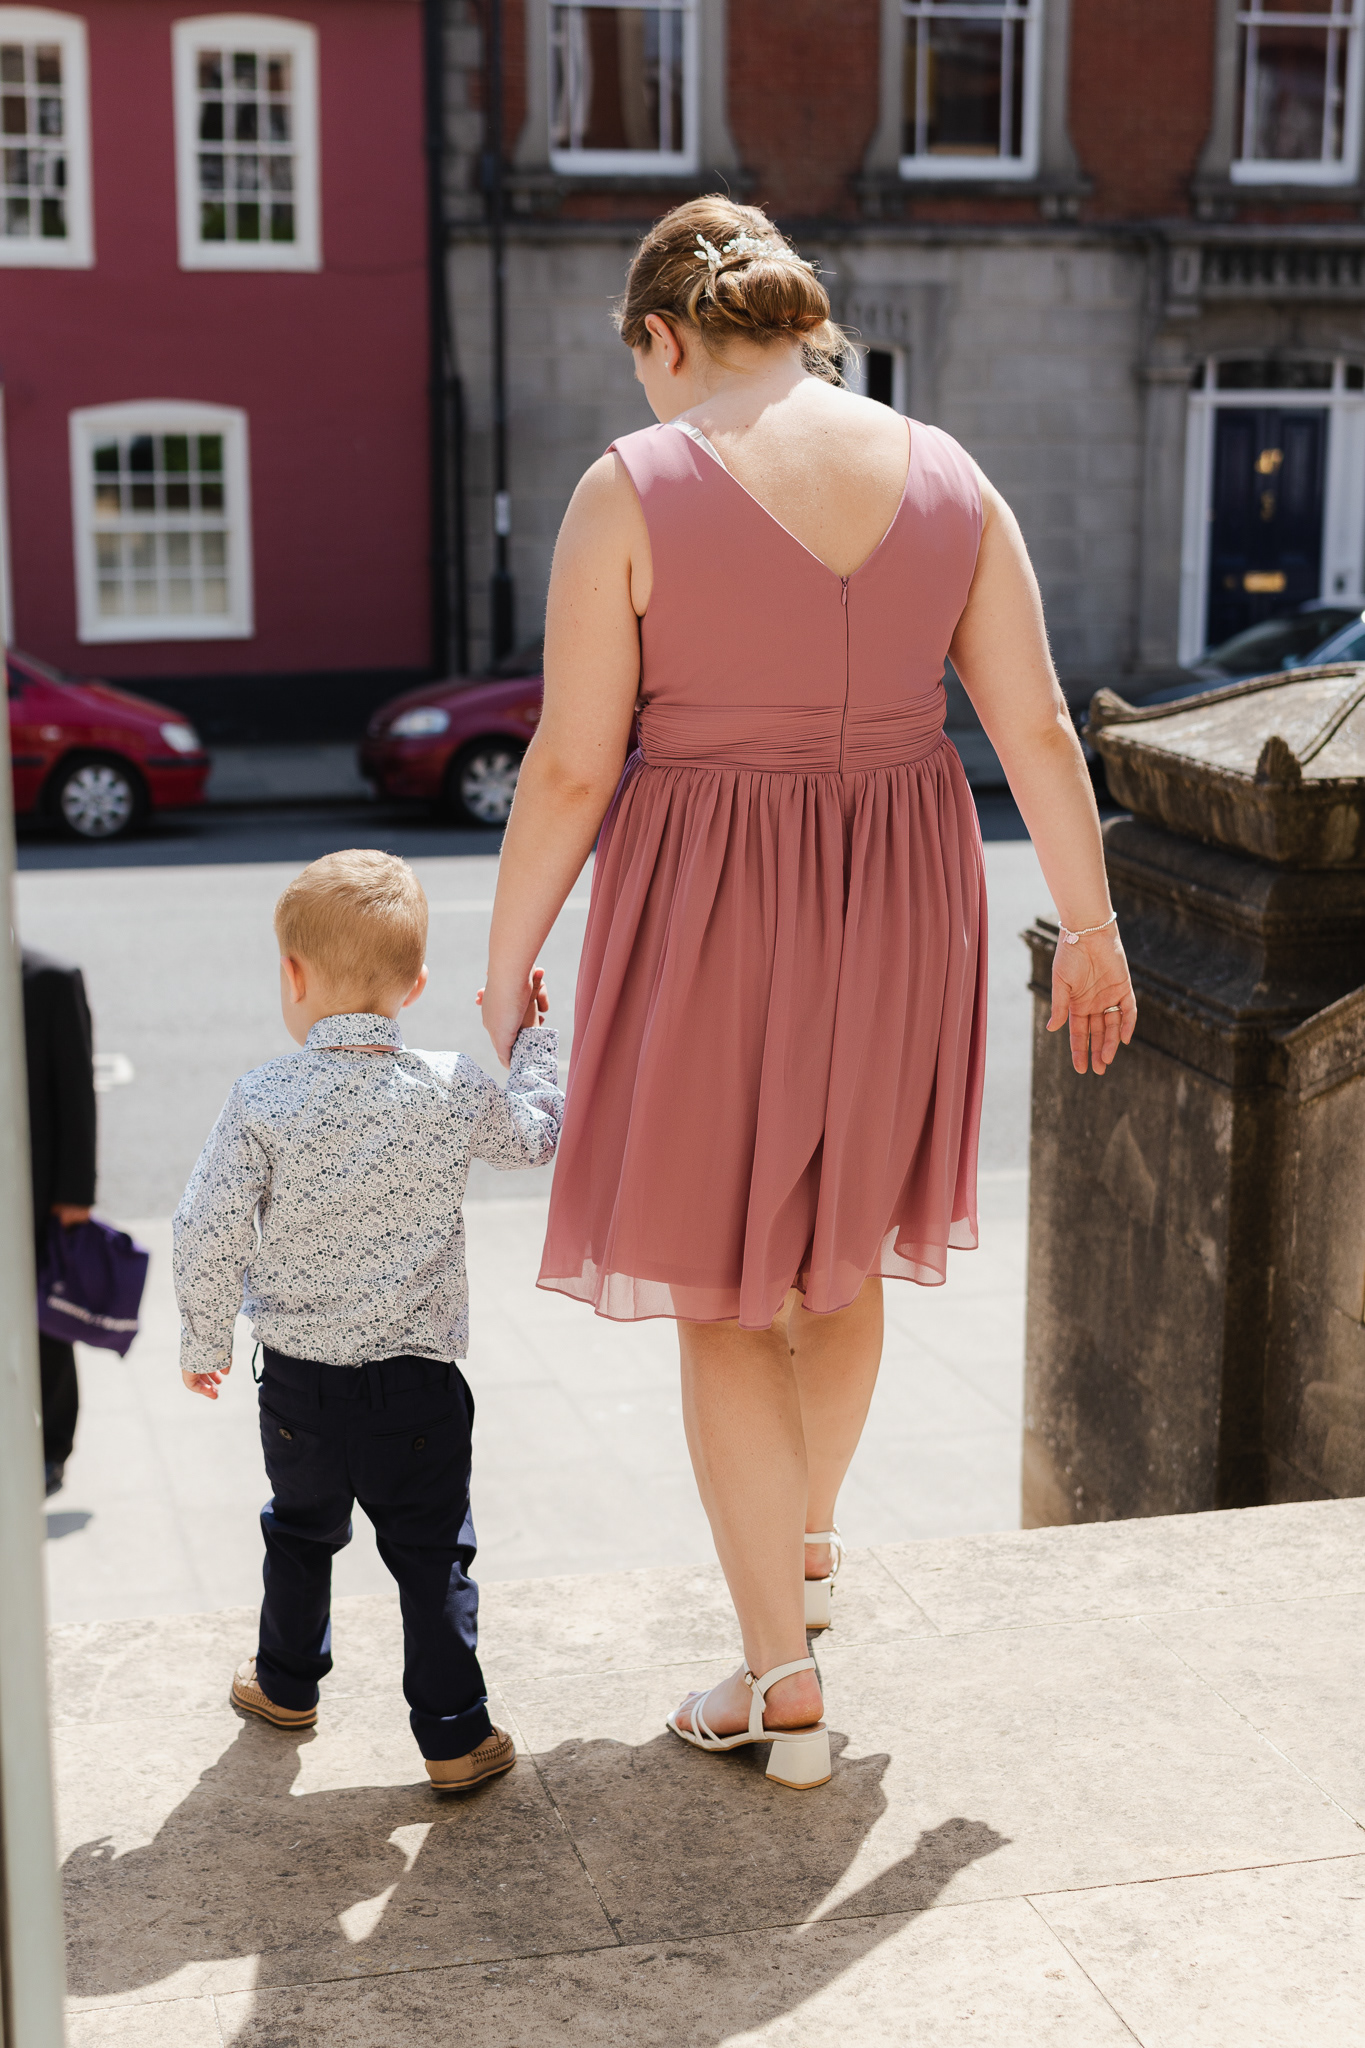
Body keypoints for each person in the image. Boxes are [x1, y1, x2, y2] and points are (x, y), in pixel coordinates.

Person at [479, 197, 1137, 1793]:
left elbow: (569, 766)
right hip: (904, 897)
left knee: (720, 1292)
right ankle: (811, 1550)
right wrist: (1093, 928)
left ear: (664, 336)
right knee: (838, 1264)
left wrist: (507, 962)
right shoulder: (949, 475)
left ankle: (779, 1682)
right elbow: (1038, 729)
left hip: (712, 906)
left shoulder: (629, 487)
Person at [172, 850, 561, 1792]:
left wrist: (204, 1339)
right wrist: (534, 1043)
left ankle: (284, 1685)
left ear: (292, 974)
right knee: (432, 1555)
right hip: (417, 1388)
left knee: (299, 1532)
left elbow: (205, 1226)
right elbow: (536, 1136)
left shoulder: (263, 1096)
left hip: (298, 1386)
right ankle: (454, 1736)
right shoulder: (449, 1085)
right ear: (416, 985)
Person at [22, 945, 98, 1497]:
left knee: (46, 1323)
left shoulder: (48, 979)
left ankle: (52, 1450)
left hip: (37, 1190)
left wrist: (75, 1195)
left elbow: (76, 1091)